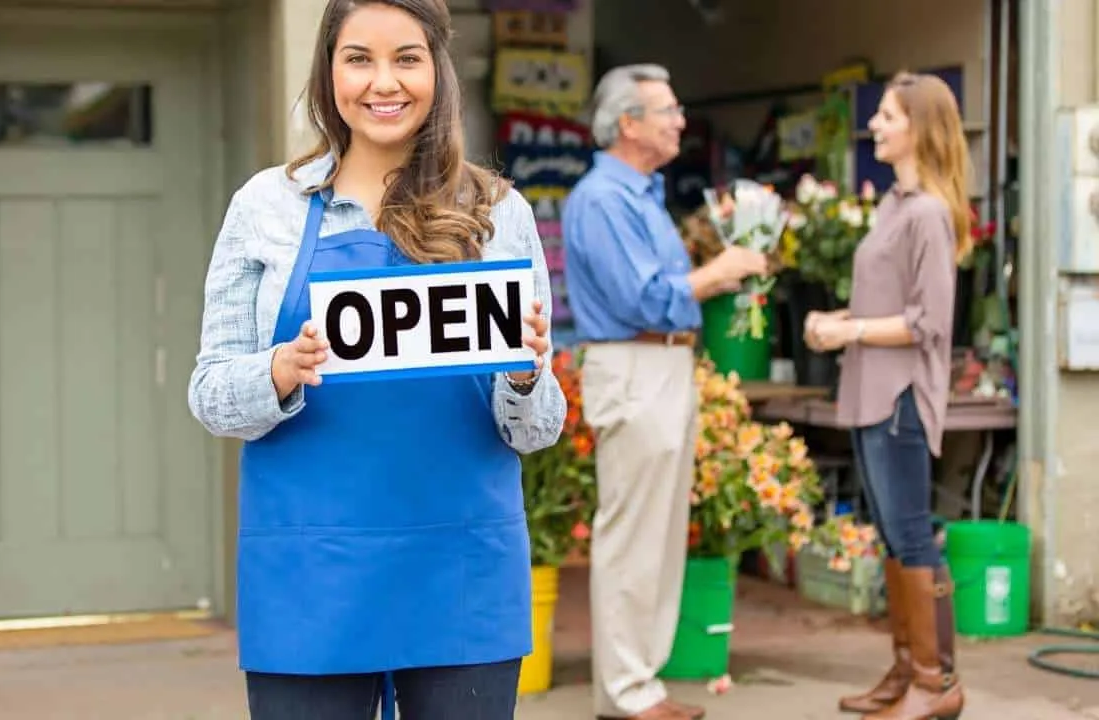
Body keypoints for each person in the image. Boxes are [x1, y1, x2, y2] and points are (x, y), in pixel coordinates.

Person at [187, 1, 566, 718]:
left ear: (438, 72)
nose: (382, 82)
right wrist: (279, 370)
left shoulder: (497, 213)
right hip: (310, 570)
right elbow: (209, 394)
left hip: (462, 566)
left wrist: (524, 374)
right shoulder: (266, 206)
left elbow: (536, 430)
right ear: (328, 71)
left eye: (407, 58)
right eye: (358, 58)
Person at [562, 64, 769, 720]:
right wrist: (722, 269)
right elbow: (645, 298)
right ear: (629, 124)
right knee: (633, 535)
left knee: (657, 533)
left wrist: (713, 250)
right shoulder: (603, 197)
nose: (681, 120)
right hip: (635, 364)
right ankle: (625, 693)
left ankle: (639, 685)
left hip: (659, 367)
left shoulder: (639, 195)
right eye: (669, 110)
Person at [804, 71, 970, 720]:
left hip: (900, 393)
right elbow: (886, 304)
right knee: (894, 540)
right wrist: (837, 322)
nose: (875, 124)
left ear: (920, 129)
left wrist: (849, 330)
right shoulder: (893, 206)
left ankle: (936, 680)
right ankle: (908, 672)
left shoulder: (928, 213)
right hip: (869, 388)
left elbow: (930, 320)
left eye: (889, 116)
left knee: (910, 535)